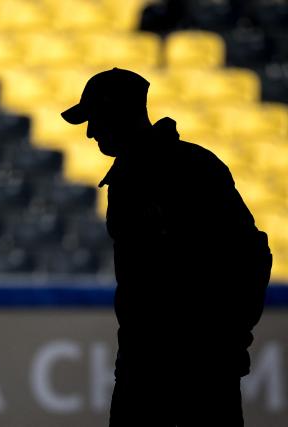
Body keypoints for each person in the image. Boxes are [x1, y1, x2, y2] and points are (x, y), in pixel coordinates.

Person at [61, 67, 273, 426]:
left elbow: (252, 255)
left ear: (118, 114)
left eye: (95, 119)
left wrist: (227, 339)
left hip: (193, 370)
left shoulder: (190, 170)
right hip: (153, 366)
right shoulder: (149, 174)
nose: (90, 132)